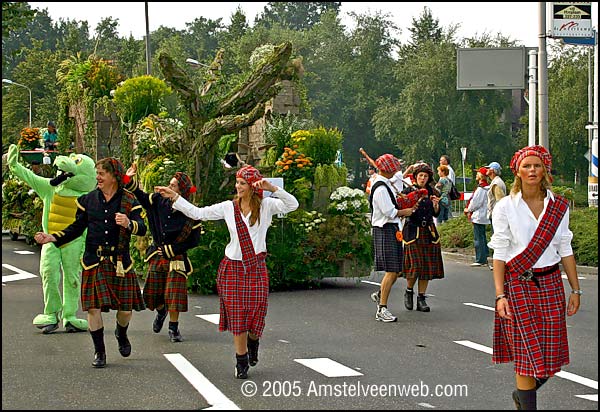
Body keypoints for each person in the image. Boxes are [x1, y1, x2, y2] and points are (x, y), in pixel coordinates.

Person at [155, 165, 298, 379]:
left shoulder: (267, 205)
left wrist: (272, 188)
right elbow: (198, 213)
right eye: (237, 182)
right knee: (238, 317)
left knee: (257, 316)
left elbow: (292, 205)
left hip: (256, 268)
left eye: (242, 183)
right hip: (232, 268)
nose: (238, 186)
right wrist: (176, 197)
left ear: (252, 186)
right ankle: (241, 361)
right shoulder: (228, 207)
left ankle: (253, 341)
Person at [488, 145, 581, 410]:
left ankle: (522, 394)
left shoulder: (559, 206)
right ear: (517, 170)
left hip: (550, 282)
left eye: (537, 165)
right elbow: (500, 251)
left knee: (550, 357)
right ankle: (528, 405)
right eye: (527, 166)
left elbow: (565, 248)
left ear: (545, 170)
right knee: (526, 355)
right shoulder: (505, 207)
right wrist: (500, 295)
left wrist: (575, 290)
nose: (532, 170)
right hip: (517, 284)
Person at [34, 158, 147, 368]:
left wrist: (129, 223)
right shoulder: (87, 200)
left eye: (102, 174)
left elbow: (142, 228)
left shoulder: (130, 200)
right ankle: (99, 352)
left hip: (120, 262)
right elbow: (76, 228)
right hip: (94, 261)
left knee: (125, 310)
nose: (98, 178)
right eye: (97, 174)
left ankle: (121, 333)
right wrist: (53, 237)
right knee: (93, 309)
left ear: (114, 176)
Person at [125, 164, 202, 343]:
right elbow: (142, 197)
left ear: (181, 190)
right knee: (153, 293)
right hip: (157, 254)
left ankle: (173, 328)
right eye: (170, 184)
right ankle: (161, 311)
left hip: (177, 257)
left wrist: (174, 249)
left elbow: (194, 240)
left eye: (173, 185)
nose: (169, 187)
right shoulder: (158, 200)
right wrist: (129, 180)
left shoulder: (191, 211)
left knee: (175, 293)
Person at [368, 154, 415, 322]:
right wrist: (406, 212)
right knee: (392, 270)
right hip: (385, 229)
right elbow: (389, 212)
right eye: (394, 168)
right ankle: (382, 308)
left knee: (396, 269)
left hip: (392, 228)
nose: (396, 170)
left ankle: (381, 294)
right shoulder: (380, 188)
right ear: (388, 170)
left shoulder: (385, 184)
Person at [400, 163, 444, 312]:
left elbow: (436, 213)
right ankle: (409, 291)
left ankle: (421, 298)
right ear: (415, 177)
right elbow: (400, 208)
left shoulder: (433, 192)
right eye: (420, 176)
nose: (423, 178)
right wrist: (411, 204)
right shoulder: (408, 191)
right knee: (415, 265)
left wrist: (436, 206)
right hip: (413, 231)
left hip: (429, 231)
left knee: (426, 267)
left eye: (425, 176)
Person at [464, 167, 490, 266]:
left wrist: (468, 209)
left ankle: (480, 259)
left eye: (478, 173)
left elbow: (475, 202)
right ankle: (485, 255)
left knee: (478, 238)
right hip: (483, 215)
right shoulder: (487, 187)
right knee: (482, 237)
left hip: (479, 216)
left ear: (481, 176)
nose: (476, 175)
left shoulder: (481, 189)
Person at [485, 161, 507, 227]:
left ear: (492, 170)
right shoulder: (495, 182)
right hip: (496, 215)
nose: (487, 170)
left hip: (497, 216)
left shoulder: (496, 184)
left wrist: (497, 215)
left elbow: (500, 201)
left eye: (488, 168)